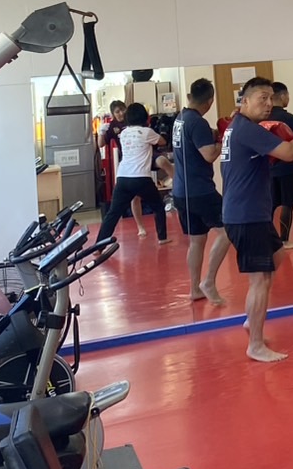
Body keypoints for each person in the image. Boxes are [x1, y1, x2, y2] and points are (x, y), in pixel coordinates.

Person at [220, 76, 293, 363]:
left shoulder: (238, 127)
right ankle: (255, 344)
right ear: (244, 101)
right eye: (261, 98)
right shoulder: (247, 130)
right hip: (247, 215)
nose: (268, 104)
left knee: (277, 257)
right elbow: (289, 153)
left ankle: (251, 318)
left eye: (270, 98)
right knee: (261, 279)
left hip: (250, 212)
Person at [170, 78, 232, 304]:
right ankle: (209, 281)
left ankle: (194, 288)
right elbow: (209, 155)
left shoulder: (180, 119)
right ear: (210, 101)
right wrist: (225, 139)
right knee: (228, 230)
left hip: (181, 192)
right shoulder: (198, 122)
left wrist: (216, 132)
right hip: (200, 191)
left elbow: (195, 141)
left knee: (197, 240)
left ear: (190, 97)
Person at [96, 102, 169, 245]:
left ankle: (99, 245)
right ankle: (162, 238)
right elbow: (162, 142)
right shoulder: (147, 132)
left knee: (113, 213)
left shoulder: (123, 133)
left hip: (123, 177)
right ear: (144, 117)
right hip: (141, 178)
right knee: (158, 207)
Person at [268, 82, 293, 249]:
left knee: (270, 205)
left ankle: (266, 239)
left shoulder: (264, 117)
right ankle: (284, 240)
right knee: (287, 204)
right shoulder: (289, 118)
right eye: (288, 95)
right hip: (288, 167)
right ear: (283, 96)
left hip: (268, 169)